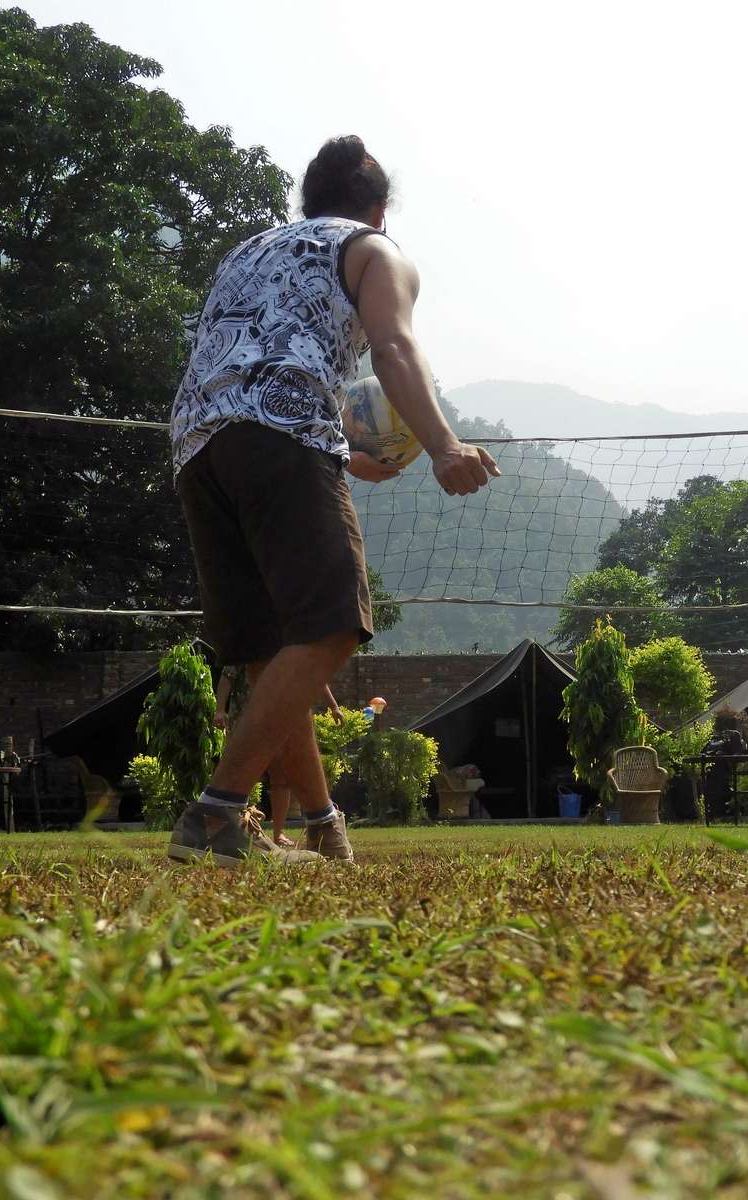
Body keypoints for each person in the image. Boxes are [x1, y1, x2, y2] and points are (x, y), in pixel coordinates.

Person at [167, 135, 498, 866]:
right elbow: (393, 348)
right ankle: (217, 816)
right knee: (333, 626)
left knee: (269, 653)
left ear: (307, 202)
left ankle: (322, 825)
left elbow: (248, 365)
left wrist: (341, 453)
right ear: (378, 211)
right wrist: (444, 445)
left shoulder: (247, 252)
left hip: (197, 445)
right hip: (280, 435)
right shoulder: (375, 251)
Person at [214, 665, 341, 847]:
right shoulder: (245, 652)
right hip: (246, 721)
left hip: (279, 719)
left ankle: (278, 833)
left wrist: (333, 706)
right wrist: (220, 709)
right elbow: (227, 676)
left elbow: (313, 672)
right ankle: (231, 828)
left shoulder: (292, 653)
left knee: (280, 777)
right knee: (240, 775)